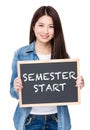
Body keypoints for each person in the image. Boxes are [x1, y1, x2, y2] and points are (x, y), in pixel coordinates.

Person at [10, 6, 84, 130]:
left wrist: (78, 83)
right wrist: (17, 88)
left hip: (57, 120)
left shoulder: (63, 56)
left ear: (56, 30)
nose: (45, 31)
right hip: (30, 120)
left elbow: (68, 88)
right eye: (41, 25)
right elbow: (12, 91)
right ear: (33, 27)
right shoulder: (21, 54)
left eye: (51, 26)